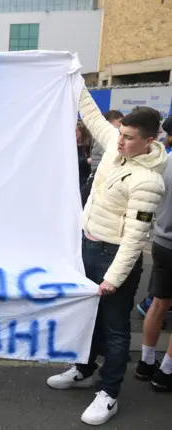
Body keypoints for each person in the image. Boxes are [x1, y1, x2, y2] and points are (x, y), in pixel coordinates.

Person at [46, 89, 167, 426]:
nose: (119, 142)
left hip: (114, 257)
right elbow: (93, 116)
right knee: (88, 318)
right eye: (121, 134)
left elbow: (134, 239)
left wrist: (113, 278)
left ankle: (109, 393)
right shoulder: (117, 145)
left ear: (148, 142)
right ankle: (84, 370)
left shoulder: (149, 181)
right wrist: (74, 76)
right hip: (88, 247)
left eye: (128, 138)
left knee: (115, 329)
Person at [135, 140, 172, 392]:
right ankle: (166, 371)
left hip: (160, 241)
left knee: (159, 303)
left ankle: (146, 363)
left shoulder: (165, 161)